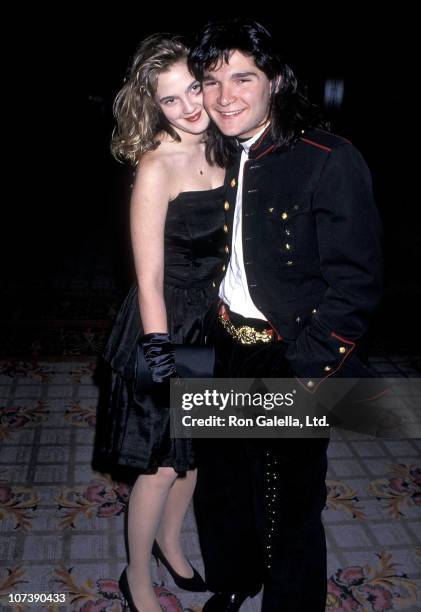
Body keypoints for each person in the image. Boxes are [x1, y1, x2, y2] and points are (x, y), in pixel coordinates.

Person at [188, 18, 383, 612]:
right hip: (224, 340)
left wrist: (309, 369)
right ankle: (235, 578)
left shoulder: (328, 157)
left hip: (289, 348)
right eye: (213, 80)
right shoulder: (216, 147)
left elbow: (358, 282)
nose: (225, 97)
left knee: (289, 498)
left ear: (276, 81)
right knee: (223, 483)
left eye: (243, 77)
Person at [98, 33, 228, 612]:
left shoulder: (224, 147)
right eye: (170, 100)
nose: (189, 106)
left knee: (195, 457)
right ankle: (137, 577)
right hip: (166, 325)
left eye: (193, 89)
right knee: (161, 465)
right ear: (154, 106)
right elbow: (148, 279)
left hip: (213, 321)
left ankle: (172, 546)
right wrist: (162, 359)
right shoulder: (156, 167)